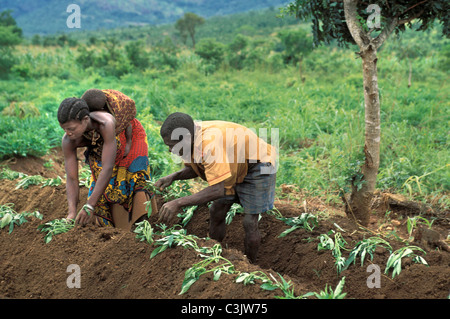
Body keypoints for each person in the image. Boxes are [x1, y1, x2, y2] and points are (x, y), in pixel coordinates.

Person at [155, 112, 277, 263]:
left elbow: (217, 189)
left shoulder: (209, 144)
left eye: (172, 146)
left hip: (259, 164)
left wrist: (177, 202)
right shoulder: (191, 141)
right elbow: (198, 167)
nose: (170, 151)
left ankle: (250, 266)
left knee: (249, 221)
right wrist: (173, 176)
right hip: (233, 165)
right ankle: (213, 254)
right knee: (217, 210)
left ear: (185, 139)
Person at [57, 89, 156, 230]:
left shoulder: (105, 123)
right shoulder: (68, 140)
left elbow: (108, 167)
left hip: (130, 137)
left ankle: (141, 226)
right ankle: (110, 228)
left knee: (134, 173)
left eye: (71, 128)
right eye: (64, 129)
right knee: (101, 180)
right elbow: (72, 178)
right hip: (100, 144)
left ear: (85, 120)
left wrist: (89, 205)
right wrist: (71, 213)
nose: (68, 133)